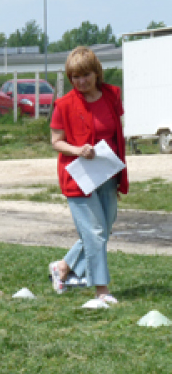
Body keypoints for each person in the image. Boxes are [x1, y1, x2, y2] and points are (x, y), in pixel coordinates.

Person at [48, 46, 128, 305]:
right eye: (75, 77)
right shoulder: (64, 105)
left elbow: (116, 131)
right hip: (78, 175)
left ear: (96, 72)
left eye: (85, 75)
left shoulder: (111, 96)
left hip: (107, 171)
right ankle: (101, 291)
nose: (81, 82)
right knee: (94, 232)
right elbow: (56, 141)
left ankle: (63, 267)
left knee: (104, 229)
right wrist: (77, 150)